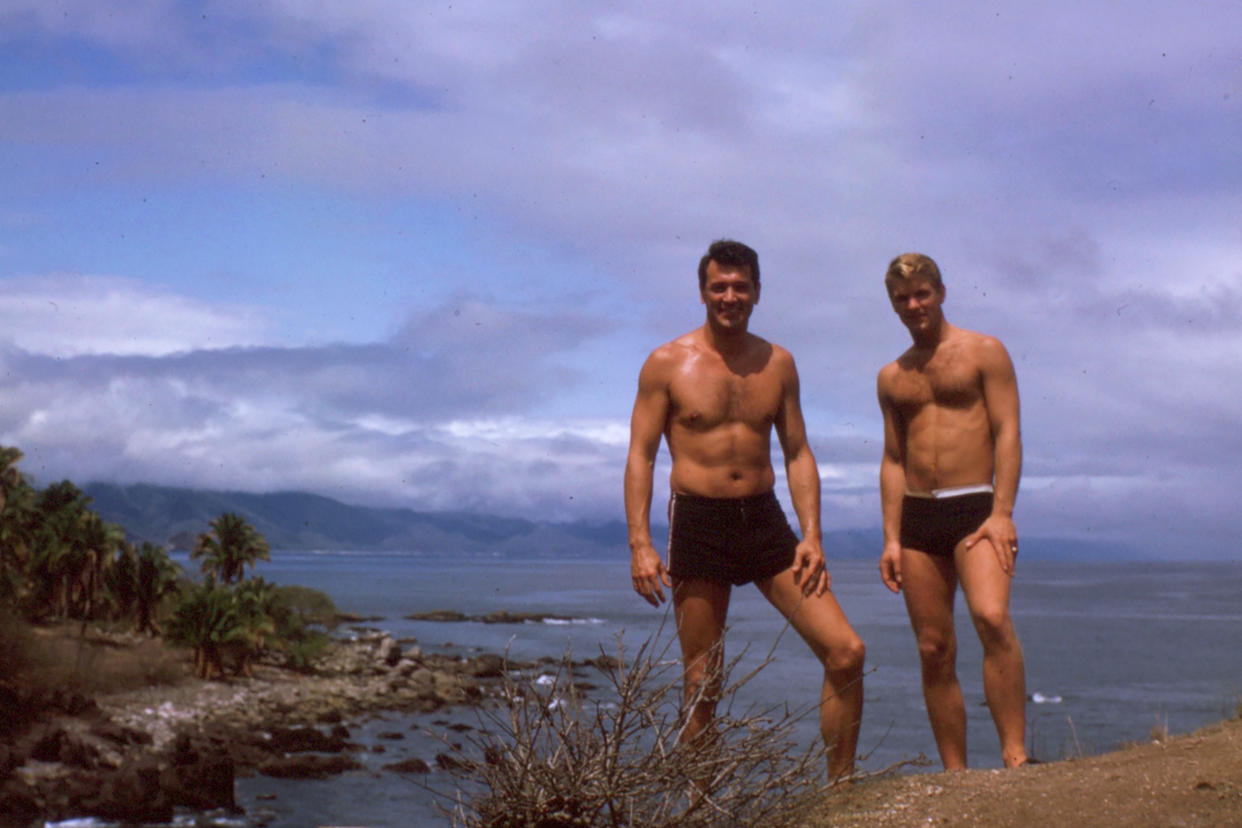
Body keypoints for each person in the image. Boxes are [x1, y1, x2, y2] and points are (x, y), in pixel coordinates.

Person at [625, 239, 865, 782]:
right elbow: (640, 455)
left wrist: (813, 536)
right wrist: (640, 543)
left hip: (764, 521)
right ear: (703, 291)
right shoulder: (667, 363)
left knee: (846, 651)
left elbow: (798, 452)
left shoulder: (777, 363)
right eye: (719, 287)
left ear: (757, 291)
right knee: (702, 684)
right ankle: (697, 810)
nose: (729, 296)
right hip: (699, 522)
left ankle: (842, 793)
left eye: (740, 286)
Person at [876, 252, 1029, 769]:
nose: (914, 304)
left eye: (922, 293)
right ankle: (956, 774)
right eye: (903, 298)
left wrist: (1003, 511)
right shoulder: (892, 376)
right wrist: (891, 538)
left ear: (941, 291)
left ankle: (1014, 757)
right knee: (933, 648)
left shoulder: (985, 352)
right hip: (917, 516)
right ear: (893, 304)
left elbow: (1008, 431)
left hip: (975, 508)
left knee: (990, 617)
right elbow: (894, 458)